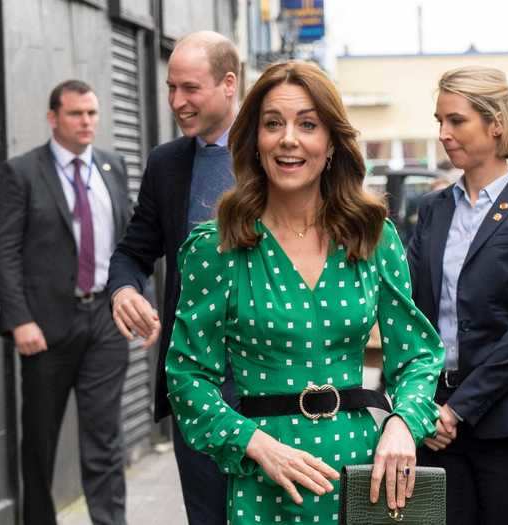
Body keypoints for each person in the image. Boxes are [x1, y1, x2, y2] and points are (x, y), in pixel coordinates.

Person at [165, 60, 445, 524]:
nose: (288, 139)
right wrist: (253, 444)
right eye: (273, 124)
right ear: (255, 140)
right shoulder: (217, 246)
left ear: (331, 142)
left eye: (308, 124)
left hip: (364, 477)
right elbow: (187, 375)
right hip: (265, 483)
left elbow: (417, 356)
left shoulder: (372, 236)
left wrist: (402, 424)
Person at [408, 65, 508, 525]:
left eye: (456, 120)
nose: (443, 133)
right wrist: (420, 407)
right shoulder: (434, 210)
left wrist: (459, 409)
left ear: (495, 123)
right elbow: (410, 312)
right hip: (435, 427)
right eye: (439, 120)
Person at [107, 31, 239, 525]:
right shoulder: (167, 163)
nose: (177, 102)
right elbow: (133, 251)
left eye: (190, 88)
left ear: (229, 84)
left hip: (274, 385)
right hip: (197, 387)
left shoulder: (277, 153)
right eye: (170, 88)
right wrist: (123, 290)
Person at [0, 79, 130, 525]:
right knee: (39, 439)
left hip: (106, 322)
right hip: (45, 327)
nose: (86, 122)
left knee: (104, 437)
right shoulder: (23, 172)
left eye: (92, 113)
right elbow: (4, 250)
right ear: (54, 118)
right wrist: (19, 319)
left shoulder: (112, 165)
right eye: (76, 114)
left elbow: (129, 244)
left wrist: (138, 304)